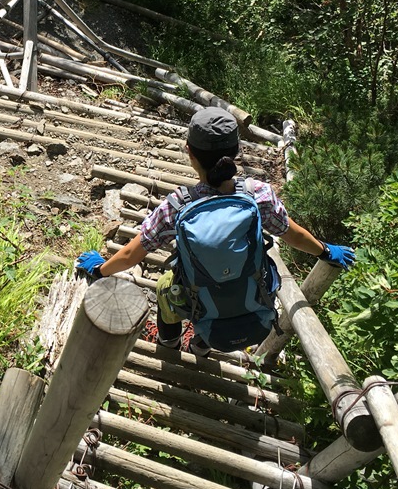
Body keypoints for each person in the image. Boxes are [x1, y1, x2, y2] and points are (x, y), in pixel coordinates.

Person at [76, 106, 355, 356]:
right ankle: (200, 346)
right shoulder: (258, 194)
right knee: (221, 303)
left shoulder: (177, 205)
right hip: (251, 296)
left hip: (195, 298)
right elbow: (292, 234)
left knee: (164, 289)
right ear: (236, 152)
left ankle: (169, 343)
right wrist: (326, 251)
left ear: (189, 153)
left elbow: (130, 255)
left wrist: (100, 270)